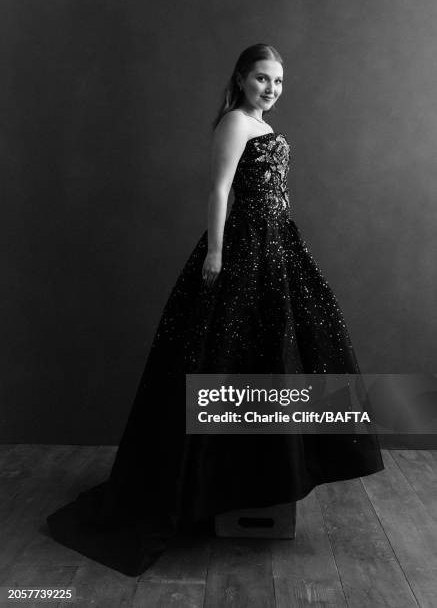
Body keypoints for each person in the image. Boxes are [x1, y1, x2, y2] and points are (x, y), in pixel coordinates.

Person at [46, 43, 384, 577]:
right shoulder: (233, 123)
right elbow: (220, 190)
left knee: (284, 353)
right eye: (261, 79)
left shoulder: (258, 121)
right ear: (241, 79)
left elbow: (272, 186)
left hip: (278, 247)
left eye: (278, 81)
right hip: (244, 248)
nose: (271, 89)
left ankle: (264, 476)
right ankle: (210, 483)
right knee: (226, 355)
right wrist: (218, 251)